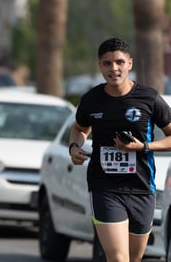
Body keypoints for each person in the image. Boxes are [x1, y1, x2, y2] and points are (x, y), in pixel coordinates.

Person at [69, 37, 171, 262]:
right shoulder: (92, 99)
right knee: (117, 257)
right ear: (100, 66)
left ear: (130, 64)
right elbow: (79, 128)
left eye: (119, 62)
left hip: (142, 188)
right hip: (104, 187)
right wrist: (75, 145)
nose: (113, 68)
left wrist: (143, 146)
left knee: (133, 259)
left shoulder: (149, 98)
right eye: (107, 63)